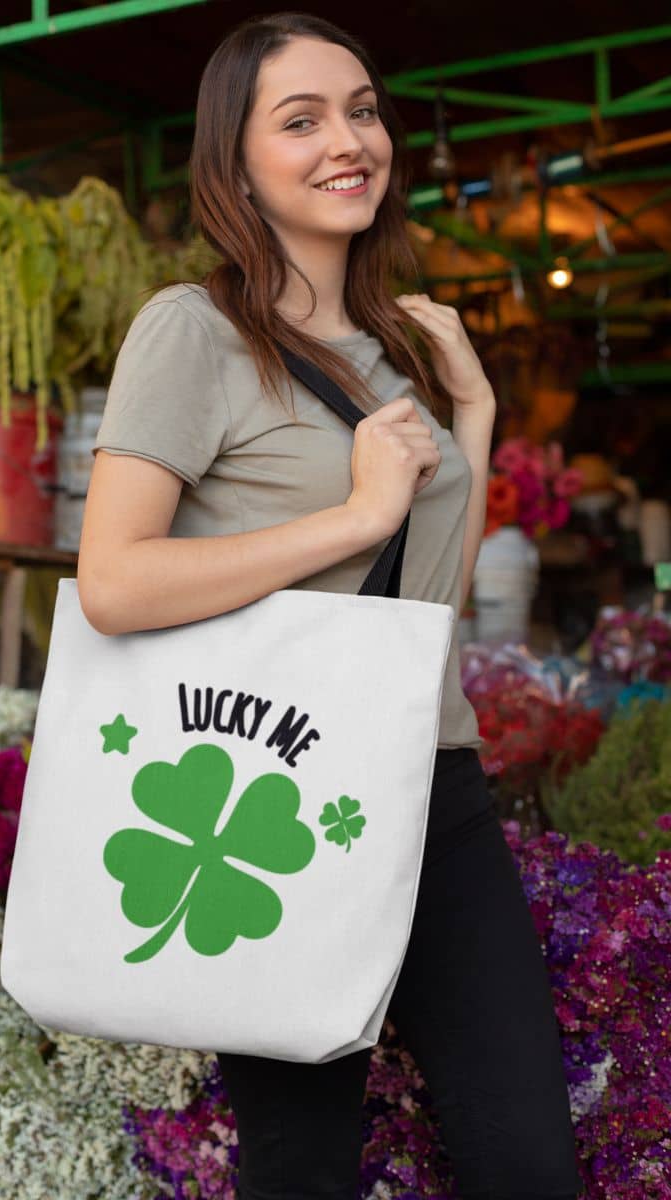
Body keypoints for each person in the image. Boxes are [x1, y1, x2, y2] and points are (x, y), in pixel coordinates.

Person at [77, 12, 584, 1199]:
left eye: (359, 111)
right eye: (299, 121)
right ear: (235, 161)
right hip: (273, 793)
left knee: (526, 1163)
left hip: (431, 784)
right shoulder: (191, 331)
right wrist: (352, 515)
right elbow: (112, 581)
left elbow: (426, 614)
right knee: (301, 1168)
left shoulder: (398, 350)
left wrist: (471, 417)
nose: (346, 141)